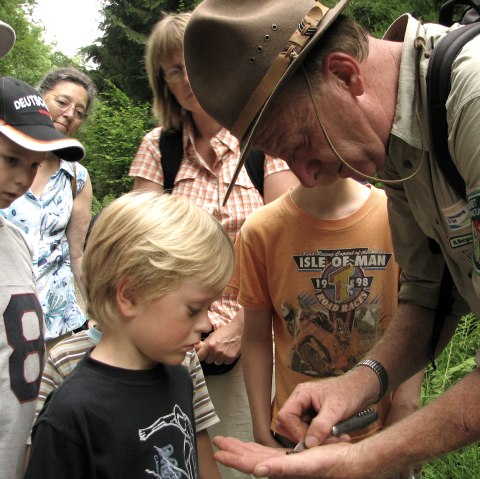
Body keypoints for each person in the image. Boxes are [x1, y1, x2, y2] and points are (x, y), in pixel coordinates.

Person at [183, 0, 480, 477]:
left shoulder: (471, 99)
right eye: (286, 158)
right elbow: (428, 297)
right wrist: (359, 382)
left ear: (346, 75)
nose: (309, 177)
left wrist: (363, 458)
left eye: (300, 144)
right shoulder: (397, 146)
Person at [129, 13, 297, 478]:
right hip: (177, 348)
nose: (186, 76)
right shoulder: (157, 148)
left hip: (257, 343)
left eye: (193, 60)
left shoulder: (264, 139)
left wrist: (242, 326)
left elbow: (286, 244)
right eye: (173, 69)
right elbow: (142, 249)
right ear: (162, 80)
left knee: (251, 459)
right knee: (179, 460)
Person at [24, 191, 234, 478]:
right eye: (194, 309)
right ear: (130, 296)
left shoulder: (180, 377)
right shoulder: (71, 412)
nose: (207, 324)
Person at [232, 176, 423, 478]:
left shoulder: (398, 216)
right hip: (295, 435)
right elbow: (255, 337)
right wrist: (260, 428)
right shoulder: (261, 230)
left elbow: (418, 318)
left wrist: (406, 408)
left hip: (382, 431)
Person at [0, 71, 85, 478]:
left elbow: (78, 249)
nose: (22, 178)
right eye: (11, 159)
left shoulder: (13, 241)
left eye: (32, 165)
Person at [28, 324, 223, 478]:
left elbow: (198, 446)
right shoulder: (67, 392)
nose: (206, 324)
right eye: (191, 308)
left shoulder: (181, 370)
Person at [1, 67, 95, 347]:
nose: (70, 114)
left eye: (79, 111)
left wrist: (99, 310)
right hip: (7, 314)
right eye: (63, 102)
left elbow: (77, 255)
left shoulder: (76, 177)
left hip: (57, 321)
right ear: (39, 98)